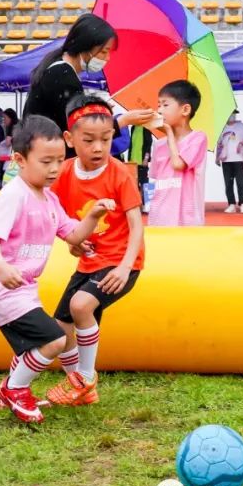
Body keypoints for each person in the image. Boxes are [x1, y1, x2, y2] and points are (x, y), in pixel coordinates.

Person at [0, 116, 113, 424]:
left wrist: (93, 216)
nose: (54, 169)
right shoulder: (13, 196)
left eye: (59, 161)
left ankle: (9, 387)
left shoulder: (49, 198)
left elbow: (73, 235)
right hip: (2, 288)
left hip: (23, 289)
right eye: (46, 162)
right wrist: (0, 266)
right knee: (54, 340)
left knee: (47, 340)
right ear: (19, 160)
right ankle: (16, 389)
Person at [46, 95, 145, 407]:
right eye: (88, 140)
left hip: (120, 263)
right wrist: (71, 241)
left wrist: (125, 267)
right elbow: (55, 216)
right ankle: (80, 389)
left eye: (106, 139)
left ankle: (85, 379)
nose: (99, 148)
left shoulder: (119, 174)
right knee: (60, 329)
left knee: (80, 305)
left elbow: (137, 225)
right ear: (70, 139)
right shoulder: (62, 174)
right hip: (89, 264)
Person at [23, 13, 156, 158]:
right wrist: (125, 120)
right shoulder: (63, 75)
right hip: (45, 157)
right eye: (104, 51)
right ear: (86, 46)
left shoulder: (60, 70)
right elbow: (81, 129)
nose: (107, 58)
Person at [148, 80, 208, 226]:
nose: (160, 110)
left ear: (185, 110)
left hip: (187, 218)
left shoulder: (198, 138)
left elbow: (178, 164)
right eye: (158, 105)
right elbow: (155, 177)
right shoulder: (159, 144)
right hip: (159, 216)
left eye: (165, 104)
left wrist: (168, 133)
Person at [215, 111, 243, 214]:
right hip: (226, 160)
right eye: (230, 114)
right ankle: (231, 204)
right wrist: (217, 158)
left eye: (234, 114)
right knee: (228, 184)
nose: (232, 116)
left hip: (239, 159)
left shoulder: (241, 126)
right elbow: (219, 144)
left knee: (240, 183)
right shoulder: (222, 127)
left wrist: (242, 143)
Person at [0, 107, 19, 178]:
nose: (4, 121)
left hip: (13, 157)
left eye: (5, 118)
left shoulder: (13, 128)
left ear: (10, 118)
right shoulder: (18, 126)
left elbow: (7, 143)